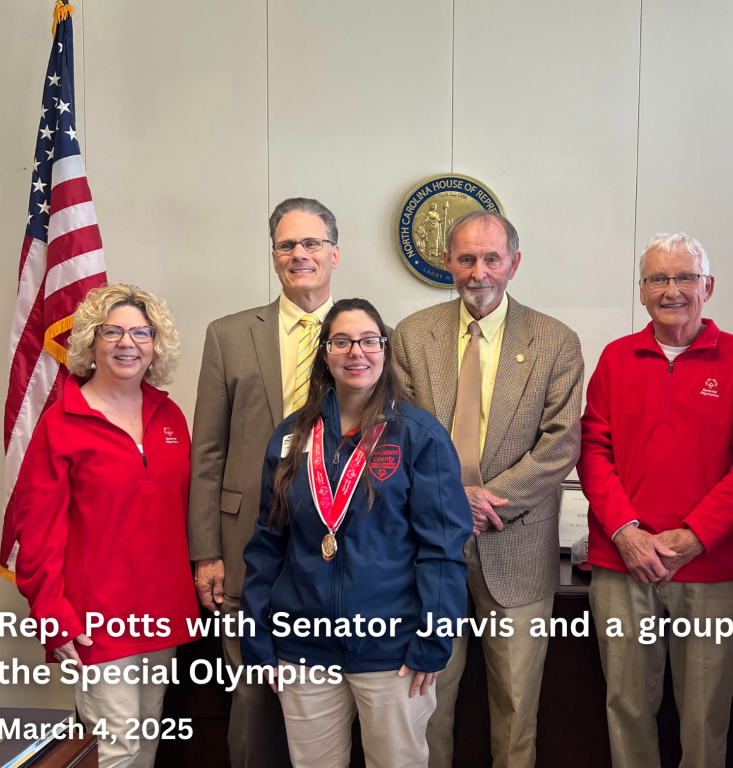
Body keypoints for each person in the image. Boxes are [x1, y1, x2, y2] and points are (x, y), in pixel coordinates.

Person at [240, 298, 471, 768]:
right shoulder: (290, 437)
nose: (355, 352)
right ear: (325, 354)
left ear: (385, 351)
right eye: (341, 341)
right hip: (303, 647)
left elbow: (443, 550)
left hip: (393, 651)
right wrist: (257, 635)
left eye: (368, 340)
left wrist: (434, 640)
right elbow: (267, 544)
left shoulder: (418, 434)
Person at [391, 210, 584, 768]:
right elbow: (397, 440)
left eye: (492, 259)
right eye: (467, 259)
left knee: (517, 712)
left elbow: (558, 445)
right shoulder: (411, 336)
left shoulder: (556, 340)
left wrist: (481, 501)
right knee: (427, 706)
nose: (479, 272)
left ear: (514, 264)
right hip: (428, 549)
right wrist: (453, 502)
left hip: (518, 548)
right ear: (448, 263)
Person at [578, 233, 733, 768]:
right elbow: (593, 452)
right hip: (623, 567)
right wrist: (627, 533)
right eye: (658, 279)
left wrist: (693, 537)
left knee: (706, 718)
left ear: (707, 286)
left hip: (712, 569)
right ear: (642, 292)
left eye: (685, 277)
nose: (672, 290)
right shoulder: (616, 358)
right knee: (627, 707)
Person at [13, 283, 200, 768]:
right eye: (112, 331)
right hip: (98, 619)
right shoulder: (61, 423)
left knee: (145, 744)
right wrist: (53, 616)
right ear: (91, 342)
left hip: (161, 612)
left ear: (155, 344)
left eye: (141, 332)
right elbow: (35, 532)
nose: (127, 343)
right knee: (115, 752)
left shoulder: (171, 415)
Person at [187, 197, 341, 768]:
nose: (299, 254)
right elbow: (207, 451)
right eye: (287, 245)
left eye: (311, 243)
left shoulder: (369, 337)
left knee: (329, 705)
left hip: (338, 554)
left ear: (334, 253)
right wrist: (205, 552)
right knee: (252, 703)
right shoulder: (228, 334)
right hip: (243, 548)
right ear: (274, 256)